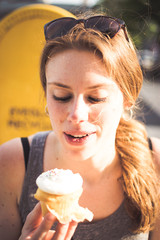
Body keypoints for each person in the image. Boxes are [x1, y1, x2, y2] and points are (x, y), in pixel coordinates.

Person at [0, 13, 160, 240]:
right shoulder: (11, 163)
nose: (76, 114)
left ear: (128, 98)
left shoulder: (155, 163)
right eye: (61, 96)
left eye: (95, 98)